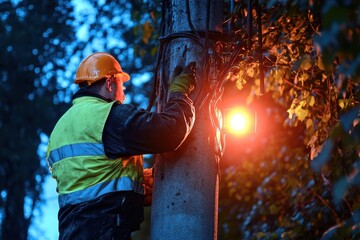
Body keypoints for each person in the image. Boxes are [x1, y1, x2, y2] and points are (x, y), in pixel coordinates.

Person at [46, 52, 196, 240]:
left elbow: (91, 179)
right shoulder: (107, 116)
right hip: (104, 231)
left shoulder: (59, 129)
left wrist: (140, 184)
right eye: (121, 85)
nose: (123, 94)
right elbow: (171, 132)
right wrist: (179, 93)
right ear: (109, 83)